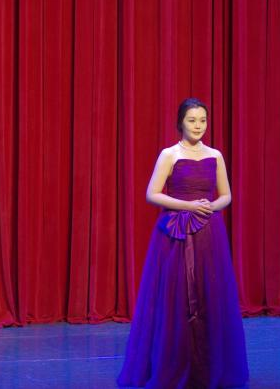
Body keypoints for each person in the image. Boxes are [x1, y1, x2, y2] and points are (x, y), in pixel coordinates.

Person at [117, 98, 248, 388]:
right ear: (181, 122)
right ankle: (173, 364)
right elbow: (152, 193)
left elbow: (226, 195)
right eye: (192, 120)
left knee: (208, 297)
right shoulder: (169, 154)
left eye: (203, 120)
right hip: (176, 236)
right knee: (176, 299)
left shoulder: (215, 155)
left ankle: (208, 367)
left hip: (208, 235)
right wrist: (189, 206)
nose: (198, 126)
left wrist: (210, 207)